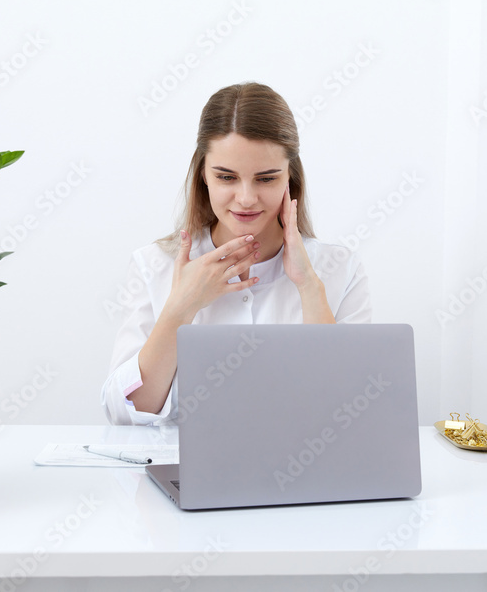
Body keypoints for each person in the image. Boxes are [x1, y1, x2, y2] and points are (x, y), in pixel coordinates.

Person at [102, 82, 370, 425]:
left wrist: (309, 288)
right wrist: (181, 307)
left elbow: (351, 411)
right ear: (204, 177)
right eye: (227, 177)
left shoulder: (340, 269)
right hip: (183, 473)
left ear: (290, 180)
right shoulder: (154, 264)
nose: (245, 198)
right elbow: (123, 413)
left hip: (305, 471)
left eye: (266, 179)